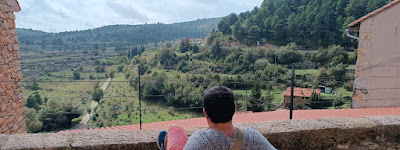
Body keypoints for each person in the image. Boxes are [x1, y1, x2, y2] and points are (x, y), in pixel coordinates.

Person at [157, 85, 276, 150]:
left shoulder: (199, 140)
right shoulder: (252, 136)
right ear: (234, 108)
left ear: (205, 113)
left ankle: (165, 144)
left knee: (175, 129)